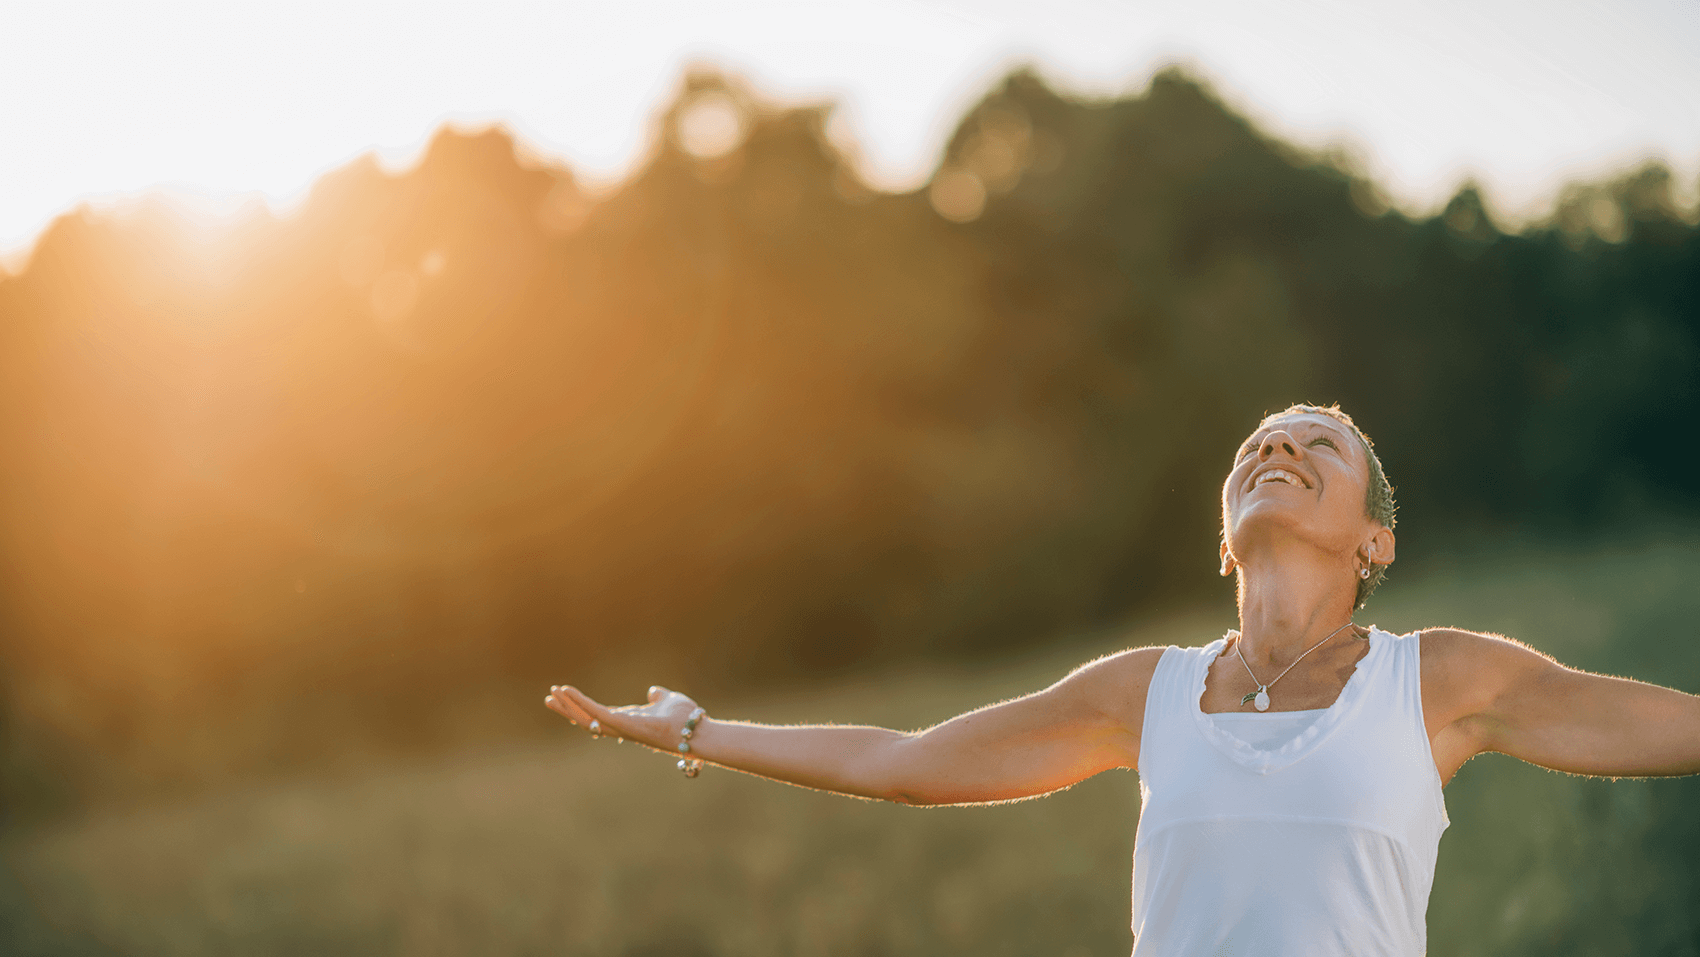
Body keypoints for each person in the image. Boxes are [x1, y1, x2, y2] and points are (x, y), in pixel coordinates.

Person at [543, 403, 1700, 956]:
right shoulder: (1139, 693)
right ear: (1221, 534)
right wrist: (694, 728)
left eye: (1316, 445)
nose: (1274, 451)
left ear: (1374, 542)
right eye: (1254, 447)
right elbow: (899, 764)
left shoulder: (1437, 680)